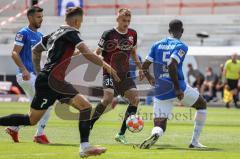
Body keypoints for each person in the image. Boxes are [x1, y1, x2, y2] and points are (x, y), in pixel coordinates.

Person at [0, 7, 120, 157]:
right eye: (81, 22)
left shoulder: (55, 33)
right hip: (53, 81)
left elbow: (35, 51)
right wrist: (107, 66)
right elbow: (87, 53)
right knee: (85, 107)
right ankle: (85, 147)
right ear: (76, 21)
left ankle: (85, 147)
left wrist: (39, 72)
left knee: (31, 120)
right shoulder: (72, 32)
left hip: (50, 80)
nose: (80, 25)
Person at [140, 19, 207, 149]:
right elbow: (171, 64)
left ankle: (156, 134)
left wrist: (149, 78)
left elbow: (144, 66)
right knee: (202, 105)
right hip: (179, 88)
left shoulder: (156, 45)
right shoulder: (181, 46)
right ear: (182, 31)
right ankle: (194, 142)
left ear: (168, 31)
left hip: (160, 90)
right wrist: (177, 89)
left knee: (159, 125)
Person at [90, 8, 144, 144]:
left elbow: (133, 52)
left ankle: (121, 134)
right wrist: (103, 63)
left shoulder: (133, 34)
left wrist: (141, 68)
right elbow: (97, 52)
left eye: (128, 21)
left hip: (124, 74)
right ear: (117, 19)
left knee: (135, 99)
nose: (126, 23)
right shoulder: (108, 34)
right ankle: (89, 124)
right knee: (107, 98)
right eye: (124, 20)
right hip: (109, 72)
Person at [7, 6, 52, 144]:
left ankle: (14, 127)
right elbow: (14, 53)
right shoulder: (23, 33)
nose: (41, 19)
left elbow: (48, 53)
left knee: (37, 107)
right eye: (38, 17)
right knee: (47, 103)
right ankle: (39, 135)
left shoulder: (40, 36)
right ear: (30, 18)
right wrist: (24, 69)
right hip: (25, 75)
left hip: (35, 76)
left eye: (42, 17)